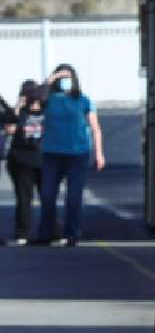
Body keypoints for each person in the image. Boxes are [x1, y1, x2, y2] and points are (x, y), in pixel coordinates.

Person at [34, 64, 104, 246]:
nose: (64, 81)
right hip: (52, 153)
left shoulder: (83, 100)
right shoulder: (49, 98)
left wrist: (99, 153)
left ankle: (72, 234)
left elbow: (95, 128)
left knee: (74, 197)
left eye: (67, 77)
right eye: (61, 77)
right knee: (47, 196)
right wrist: (51, 79)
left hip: (77, 153)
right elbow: (38, 97)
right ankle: (46, 233)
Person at [6, 81, 44, 245]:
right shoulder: (19, 112)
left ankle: (52, 231)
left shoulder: (46, 110)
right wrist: (18, 107)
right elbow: (9, 127)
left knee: (47, 198)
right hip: (21, 161)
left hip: (43, 160)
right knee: (23, 199)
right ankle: (23, 233)